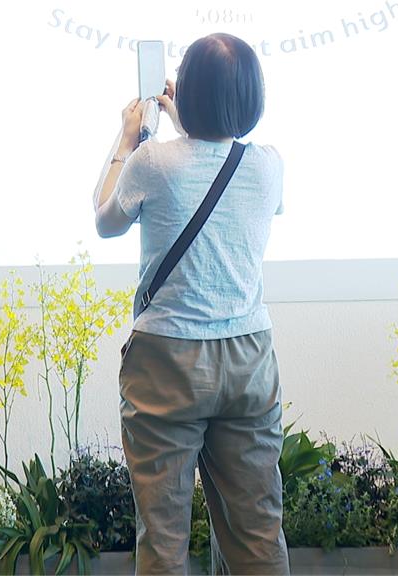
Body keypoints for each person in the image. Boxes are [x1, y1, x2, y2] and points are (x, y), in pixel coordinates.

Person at [92, 33, 289, 575]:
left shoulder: (151, 163)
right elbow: (216, 164)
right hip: (248, 358)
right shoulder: (268, 166)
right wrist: (194, 126)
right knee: (257, 531)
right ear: (253, 98)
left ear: (189, 93)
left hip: (167, 362)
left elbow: (105, 218)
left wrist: (126, 138)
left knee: (164, 535)